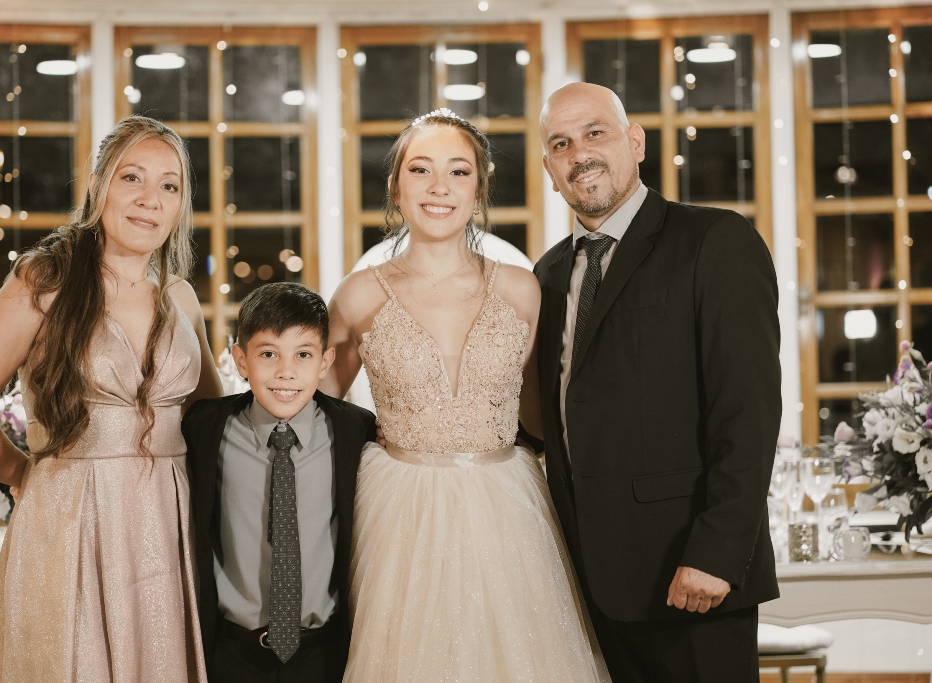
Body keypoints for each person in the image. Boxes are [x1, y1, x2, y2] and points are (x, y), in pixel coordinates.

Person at [322, 108, 611, 682]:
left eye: (458, 171)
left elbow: (542, 415)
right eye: (420, 169)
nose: (439, 187)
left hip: (507, 502)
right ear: (396, 187)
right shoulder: (357, 295)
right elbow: (318, 415)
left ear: (478, 190)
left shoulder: (522, 288)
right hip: (398, 505)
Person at [0, 115, 222, 682]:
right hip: (69, 524)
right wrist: (24, 475)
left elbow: (212, 422)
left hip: (169, 529)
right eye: (131, 177)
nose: (150, 199)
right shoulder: (45, 283)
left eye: (169, 185)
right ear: (97, 185)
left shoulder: (182, 299)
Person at [532, 82, 781, 682]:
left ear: (636, 142)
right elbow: (556, 414)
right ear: (549, 169)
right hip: (587, 587)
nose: (579, 155)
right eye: (561, 145)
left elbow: (748, 412)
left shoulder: (714, 240)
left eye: (595, 133)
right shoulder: (547, 274)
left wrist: (717, 553)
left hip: (691, 577)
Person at [182, 282, 377, 683]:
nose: (286, 372)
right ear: (240, 360)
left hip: (325, 654)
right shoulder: (204, 428)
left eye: (303, 354)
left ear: (325, 361)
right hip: (231, 652)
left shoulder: (356, 430)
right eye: (268, 354)